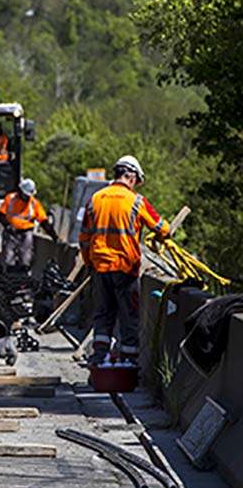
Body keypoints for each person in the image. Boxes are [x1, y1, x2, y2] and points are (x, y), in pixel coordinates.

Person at [79, 155, 169, 365]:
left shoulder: (95, 199)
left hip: (100, 267)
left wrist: (89, 262)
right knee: (129, 317)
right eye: (136, 181)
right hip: (125, 269)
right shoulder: (137, 201)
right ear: (130, 176)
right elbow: (162, 229)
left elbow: (83, 238)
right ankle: (128, 361)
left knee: (102, 315)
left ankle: (99, 358)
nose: (135, 186)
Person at [0, 177, 57, 271]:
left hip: (26, 232)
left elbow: (43, 221)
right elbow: (1, 215)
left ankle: (23, 272)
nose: (27, 197)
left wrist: (53, 235)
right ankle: (9, 273)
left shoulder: (34, 203)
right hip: (11, 232)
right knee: (8, 256)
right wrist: (8, 226)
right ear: (21, 191)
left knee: (26, 256)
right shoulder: (10, 198)